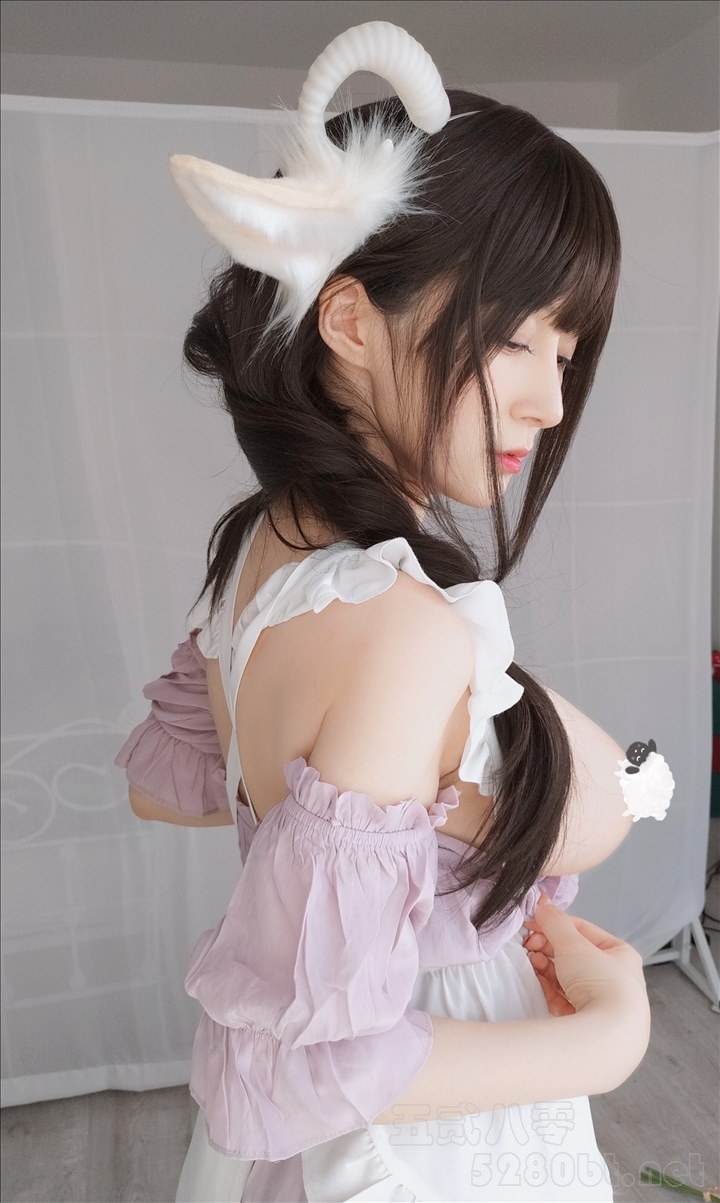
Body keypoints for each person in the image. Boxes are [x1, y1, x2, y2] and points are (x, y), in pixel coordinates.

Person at [115, 21, 652, 1202]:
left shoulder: (264, 550)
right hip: (418, 1151)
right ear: (350, 321)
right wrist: (611, 1040)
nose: (550, 400)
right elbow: (294, 1067)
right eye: (513, 338)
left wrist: (416, 813)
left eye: (567, 352)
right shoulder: (401, 627)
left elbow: (176, 783)